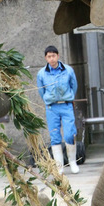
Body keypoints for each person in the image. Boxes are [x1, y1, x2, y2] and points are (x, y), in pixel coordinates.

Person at [37, 45, 79, 174]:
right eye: (49, 56)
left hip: (66, 105)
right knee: (55, 136)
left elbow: (74, 86)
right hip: (51, 107)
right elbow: (41, 91)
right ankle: (59, 165)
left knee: (69, 133)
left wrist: (69, 97)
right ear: (46, 58)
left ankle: (72, 162)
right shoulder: (42, 73)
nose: (52, 59)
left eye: (53, 56)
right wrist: (48, 100)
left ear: (58, 56)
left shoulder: (68, 70)